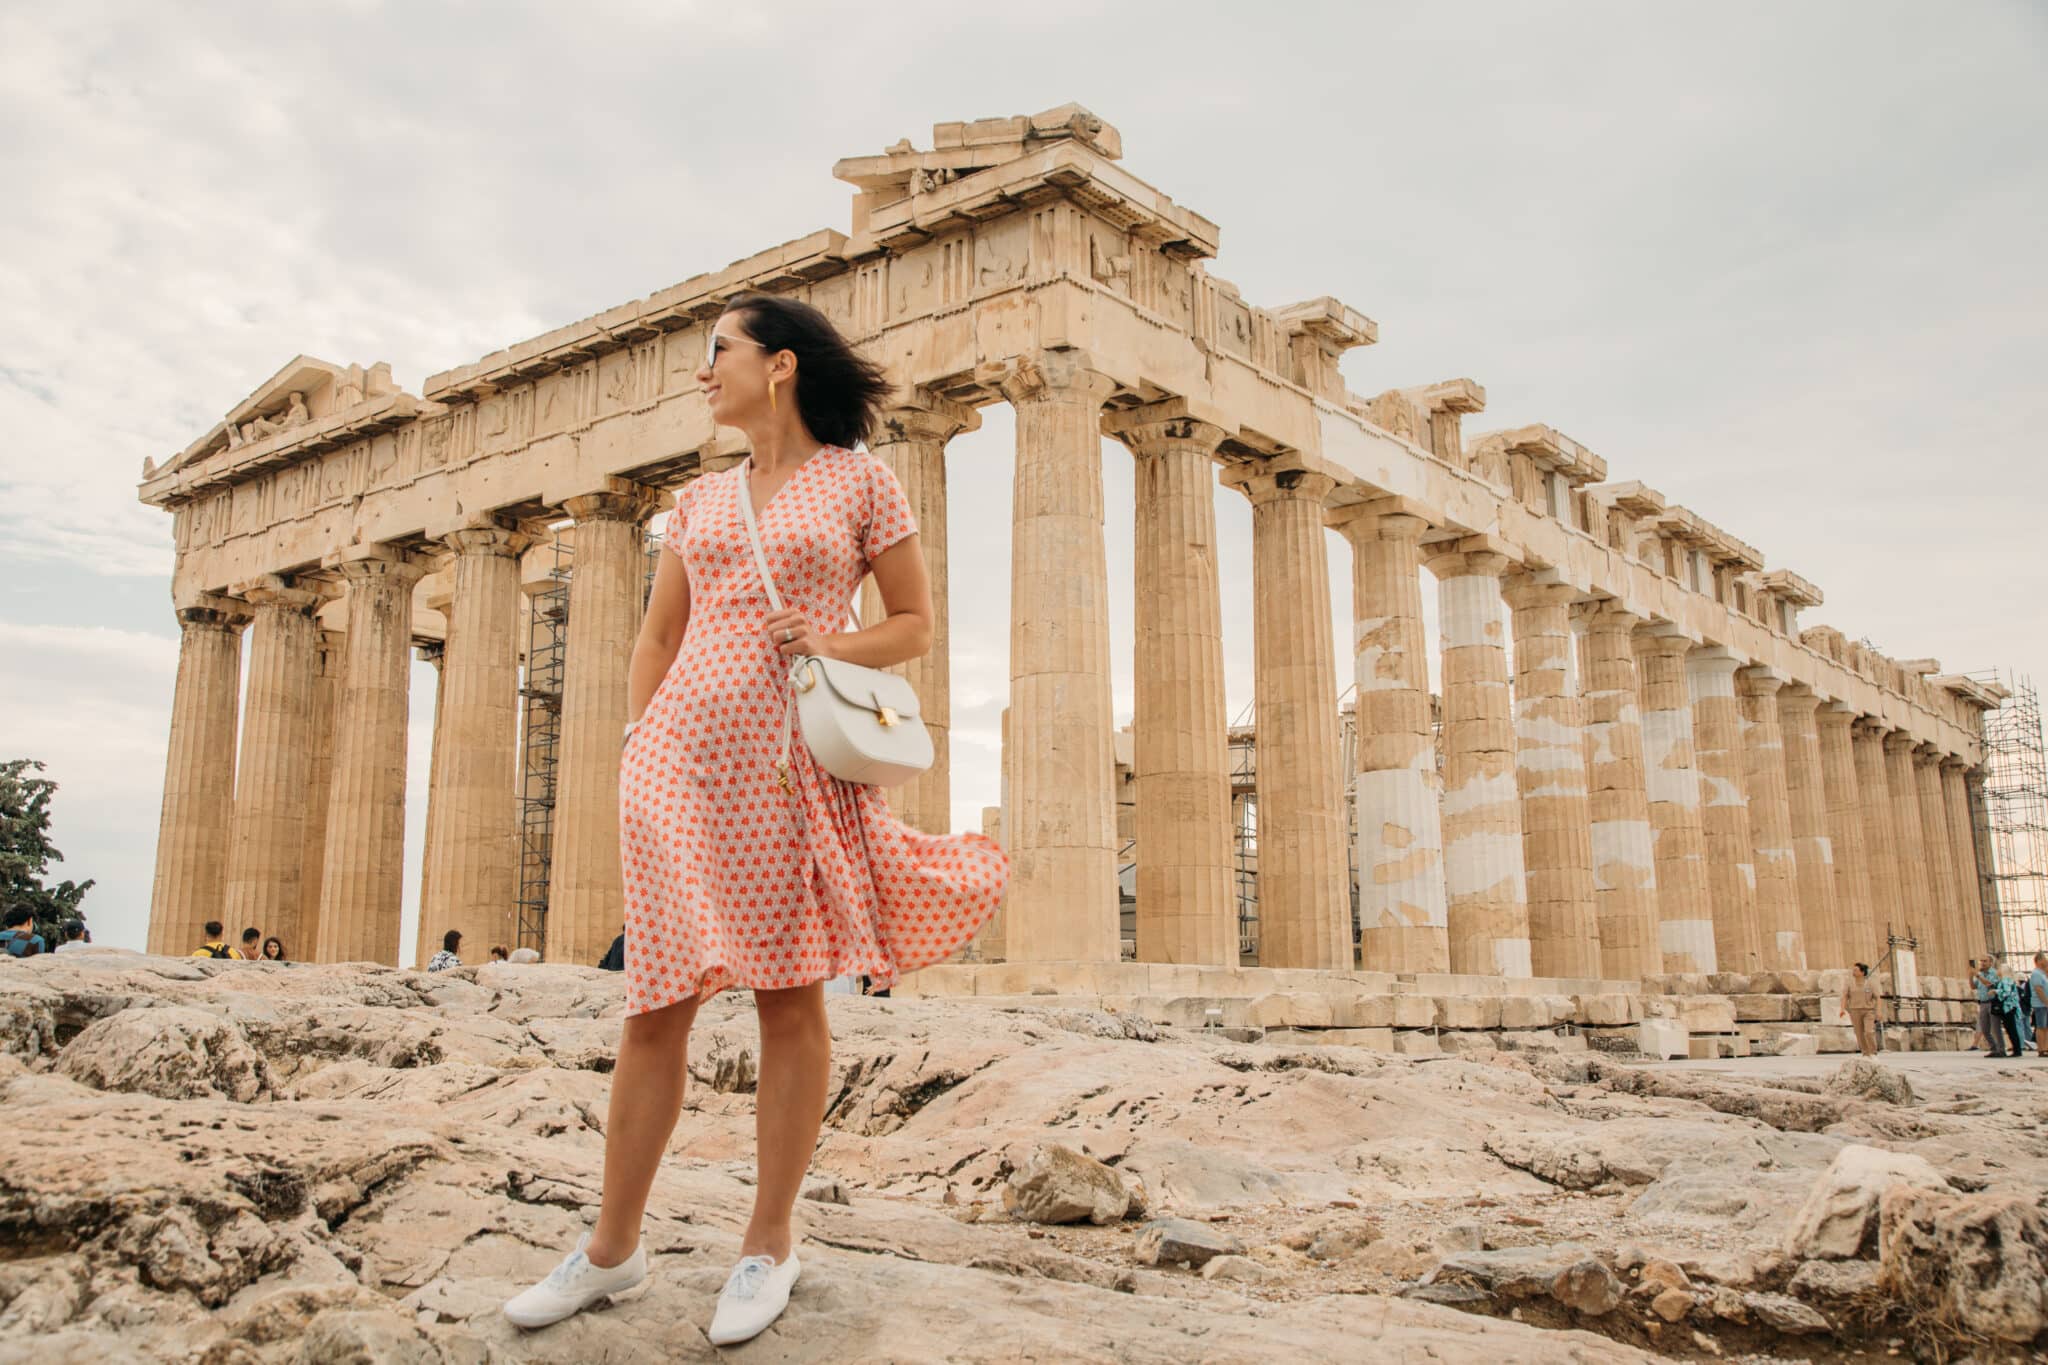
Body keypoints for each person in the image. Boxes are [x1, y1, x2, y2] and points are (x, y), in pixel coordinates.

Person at [504, 294, 1007, 1345]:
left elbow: (913, 624)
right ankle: (611, 1249)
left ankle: (768, 1240)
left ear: (778, 366)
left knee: (787, 1000)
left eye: (716, 353)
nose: (703, 372)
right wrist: (643, 738)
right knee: (652, 1003)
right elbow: (656, 635)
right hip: (680, 763)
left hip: (787, 767)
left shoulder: (862, 482)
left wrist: (827, 638)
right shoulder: (697, 500)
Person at [1841, 962, 1882, 1056]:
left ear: (1862, 972)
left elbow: (1878, 997)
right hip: (1855, 1011)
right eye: (1853, 970)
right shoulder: (1849, 983)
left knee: (1868, 1032)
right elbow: (1845, 996)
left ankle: (1873, 1052)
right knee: (1859, 1033)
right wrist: (1842, 1009)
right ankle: (1865, 1052)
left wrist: (1879, 1011)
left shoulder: (1870, 983)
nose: (1853, 972)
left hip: (1868, 1011)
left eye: (1856, 970)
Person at [1991, 963, 2025, 1059]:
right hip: (2010, 1007)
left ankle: (2017, 1050)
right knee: (2011, 1029)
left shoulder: (2006, 980)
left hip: (2008, 1007)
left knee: (2011, 1029)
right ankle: (2017, 1049)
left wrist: (1995, 991)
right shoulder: (2007, 980)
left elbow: (2006, 992)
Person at [2030, 953, 2048, 1059]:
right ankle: (2041, 1048)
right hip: (2041, 1004)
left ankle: (2046, 1047)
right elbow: (2038, 989)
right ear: (2039, 961)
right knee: (2041, 1026)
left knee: (2046, 1027)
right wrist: (2046, 1001)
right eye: (2045, 959)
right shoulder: (2036, 973)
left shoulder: (2043, 973)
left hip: (2044, 1004)